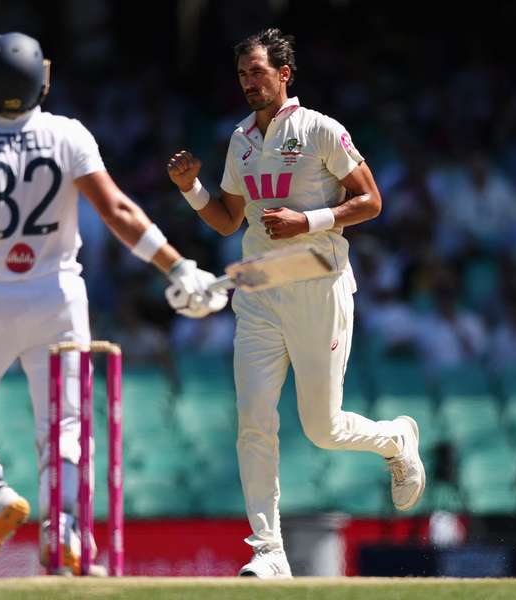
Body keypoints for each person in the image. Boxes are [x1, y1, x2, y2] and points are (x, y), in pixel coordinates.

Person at [0, 32, 226, 574]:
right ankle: (68, 533)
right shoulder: (67, 136)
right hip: (59, 297)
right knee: (66, 429)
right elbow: (119, 211)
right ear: (43, 80)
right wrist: (178, 265)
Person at [166, 28, 425, 578]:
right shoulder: (240, 141)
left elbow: (371, 201)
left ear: (285, 74)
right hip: (260, 294)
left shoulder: (321, 130)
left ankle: (396, 439)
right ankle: (268, 550)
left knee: (322, 428)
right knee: (253, 420)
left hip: (319, 285)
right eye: (242, 74)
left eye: (258, 72)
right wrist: (191, 188)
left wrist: (308, 221)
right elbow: (228, 219)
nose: (250, 83)